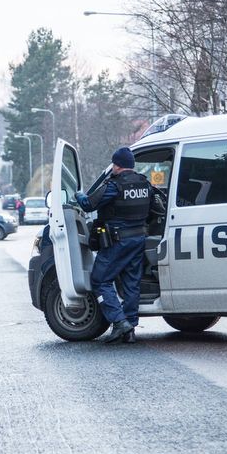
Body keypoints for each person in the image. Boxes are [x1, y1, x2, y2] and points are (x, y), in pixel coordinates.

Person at [75, 147, 159, 344]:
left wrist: (78, 195)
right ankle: (130, 330)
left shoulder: (114, 185)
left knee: (100, 280)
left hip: (117, 241)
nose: (113, 167)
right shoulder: (144, 183)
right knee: (131, 284)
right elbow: (156, 208)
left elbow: (88, 204)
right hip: (138, 240)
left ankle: (119, 321)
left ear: (117, 165)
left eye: (114, 164)